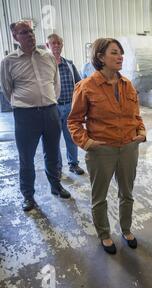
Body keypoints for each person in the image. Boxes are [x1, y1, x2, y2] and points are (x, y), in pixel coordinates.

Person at [68, 38, 146, 254]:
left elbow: (136, 115)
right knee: (99, 196)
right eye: (114, 52)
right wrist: (87, 142)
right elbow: (73, 121)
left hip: (129, 147)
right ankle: (104, 234)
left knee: (127, 193)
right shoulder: (86, 87)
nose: (120, 56)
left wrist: (141, 132)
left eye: (121, 52)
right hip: (101, 150)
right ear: (100, 57)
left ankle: (126, 229)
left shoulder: (127, 84)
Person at [0, 21, 71, 212]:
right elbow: (7, 90)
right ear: (15, 37)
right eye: (24, 32)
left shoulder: (48, 57)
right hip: (25, 116)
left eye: (31, 31)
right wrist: (25, 104)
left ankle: (56, 186)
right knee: (26, 158)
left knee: (53, 153)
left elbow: (55, 85)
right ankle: (28, 196)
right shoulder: (8, 62)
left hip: (50, 112)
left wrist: (49, 103)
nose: (30, 35)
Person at [46, 33, 85, 176]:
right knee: (54, 140)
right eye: (53, 43)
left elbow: (79, 84)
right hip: (52, 107)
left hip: (69, 106)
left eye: (59, 43)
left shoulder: (69, 64)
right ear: (47, 46)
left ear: (62, 45)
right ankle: (57, 168)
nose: (56, 45)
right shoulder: (45, 65)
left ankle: (73, 164)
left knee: (71, 137)